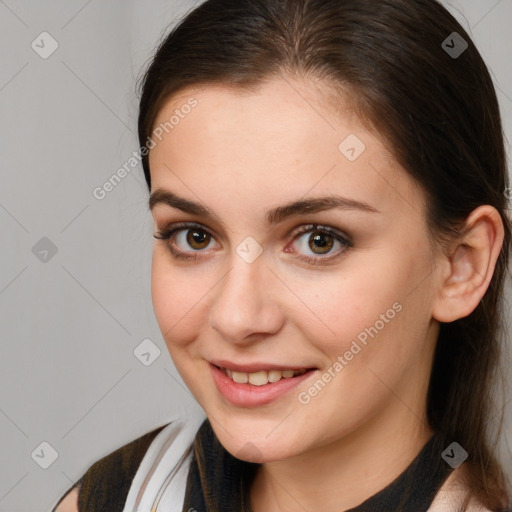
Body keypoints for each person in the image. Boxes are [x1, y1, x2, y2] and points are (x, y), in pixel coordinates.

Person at [51, 0, 512, 510]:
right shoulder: (115, 499)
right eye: (194, 236)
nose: (236, 316)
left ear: (460, 266)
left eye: (319, 240)